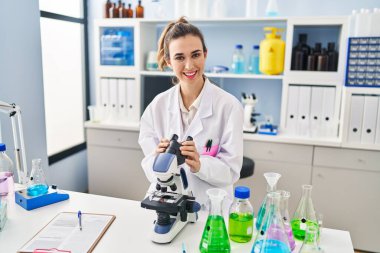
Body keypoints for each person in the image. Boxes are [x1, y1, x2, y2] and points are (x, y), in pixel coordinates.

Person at [138, 17, 243, 207]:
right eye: (179, 57)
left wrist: (200, 164)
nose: (189, 65)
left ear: (205, 54)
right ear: (169, 61)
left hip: (210, 207)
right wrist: (158, 158)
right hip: (164, 202)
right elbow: (149, 167)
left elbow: (231, 171)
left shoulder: (229, 106)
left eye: (195, 55)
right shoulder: (157, 106)